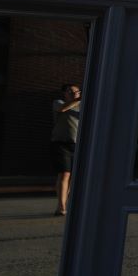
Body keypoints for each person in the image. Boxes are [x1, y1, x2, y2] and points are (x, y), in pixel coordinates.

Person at [51, 83, 81, 216]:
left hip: (78, 145)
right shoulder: (58, 103)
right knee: (64, 174)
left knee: (74, 176)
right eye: (71, 91)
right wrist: (78, 99)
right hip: (61, 143)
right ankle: (61, 206)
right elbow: (63, 109)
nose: (74, 93)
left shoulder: (82, 107)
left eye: (77, 91)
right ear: (65, 94)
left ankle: (66, 202)